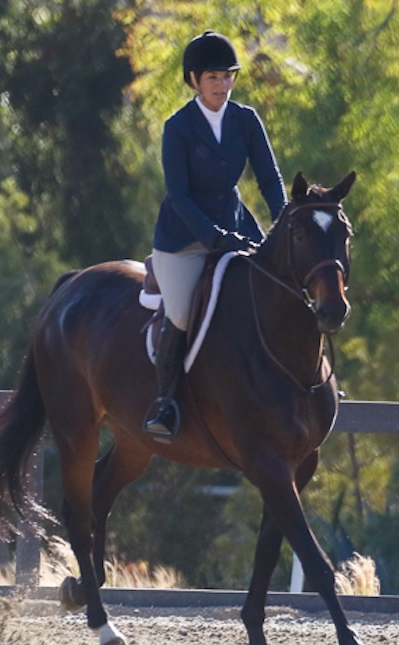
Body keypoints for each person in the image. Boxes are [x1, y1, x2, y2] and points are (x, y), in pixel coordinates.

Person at [142, 30, 287, 440]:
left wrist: (284, 226)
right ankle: (165, 403)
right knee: (183, 313)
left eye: (228, 77)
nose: (222, 86)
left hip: (238, 226)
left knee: (280, 287)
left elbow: (270, 180)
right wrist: (215, 236)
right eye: (213, 78)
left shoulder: (246, 120)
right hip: (184, 238)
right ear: (193, 81)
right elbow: (179, 196)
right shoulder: (179, 127)